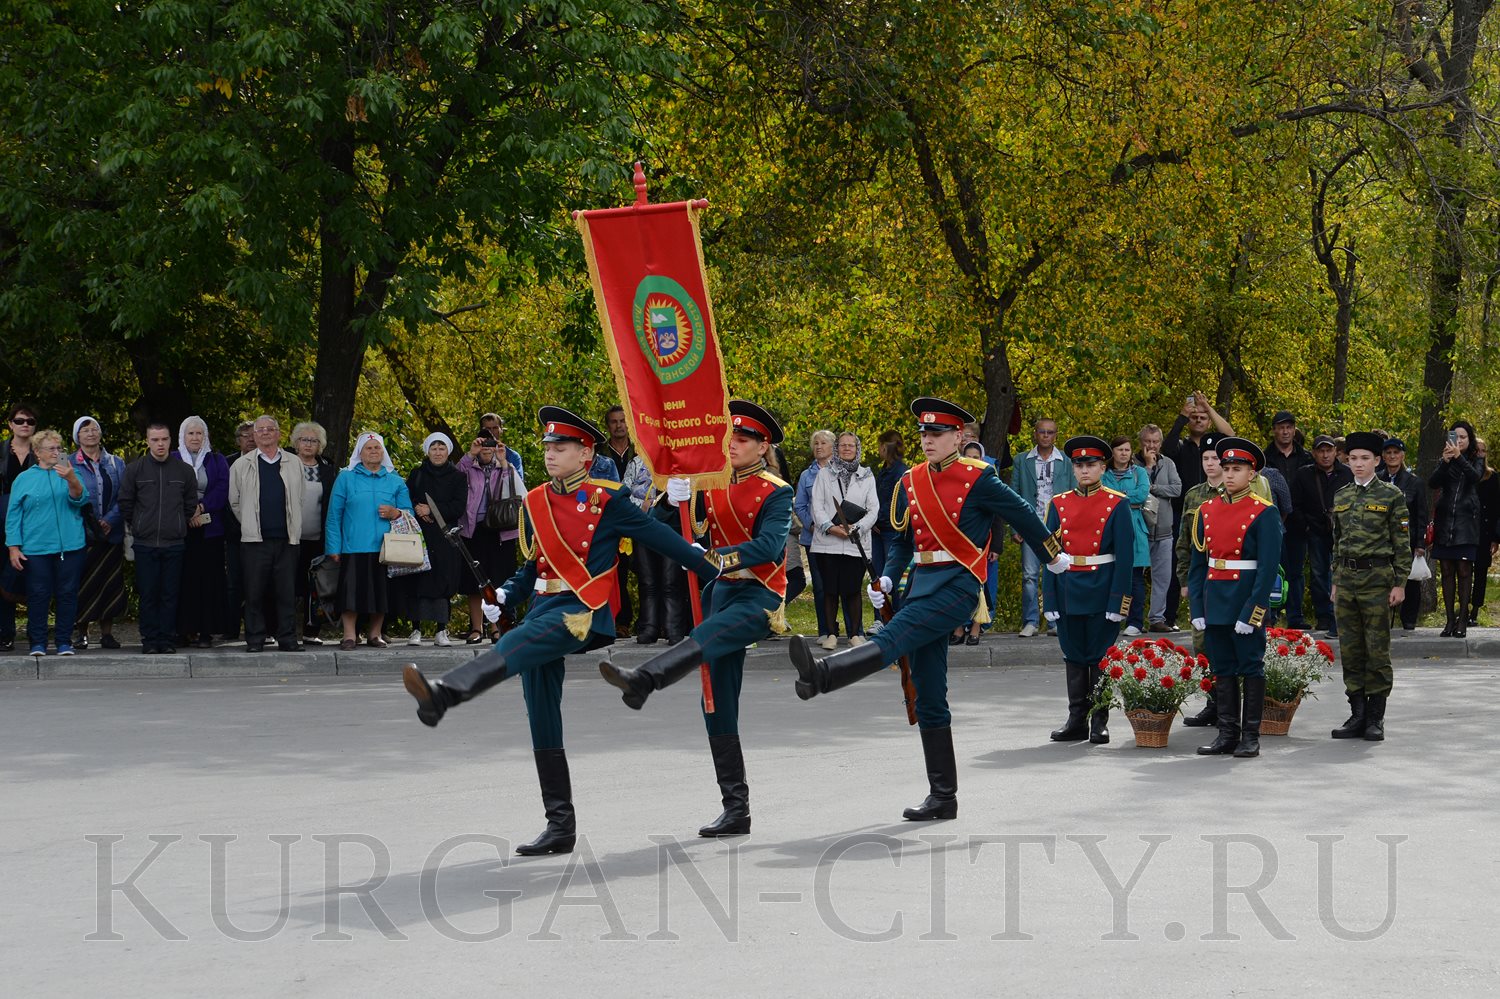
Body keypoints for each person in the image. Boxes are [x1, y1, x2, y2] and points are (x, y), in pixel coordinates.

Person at [400, 407, 720, 856]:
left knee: (519, 642)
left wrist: (711, 565)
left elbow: (661, 538)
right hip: (543, 607)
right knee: (541, 712)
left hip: (580, 610)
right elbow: (534, 567)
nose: (550, 454)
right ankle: (560, 825)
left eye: (561, 447)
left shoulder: (608, 499)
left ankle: (445, 693)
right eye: (548, 447)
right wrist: (505, 595)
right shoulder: (535, 501)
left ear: (586, 454)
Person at [790, 397, 1069, 821]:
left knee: (894, 636)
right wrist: (887, 577)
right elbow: (903, 543)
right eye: (924, 433)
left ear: (958, 436)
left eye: (937, 433)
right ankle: (943, 797)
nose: (928, 440)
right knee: (929, 694)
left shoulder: (980, 477)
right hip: (921, 585)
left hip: (959, 585)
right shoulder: (911, 481)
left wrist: (1051, 555)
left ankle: (823, 675)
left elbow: (1023, 513)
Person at [600, 400, 793, 837]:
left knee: (705, 636)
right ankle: (736, 809)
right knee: (716, 703)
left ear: (763, 447)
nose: (732, 445)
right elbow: (661, 523)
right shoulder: (713, 484)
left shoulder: (776, 491)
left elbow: (768, 547)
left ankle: (645, 679)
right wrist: (672, 499)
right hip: (721, 595)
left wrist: (714, 558)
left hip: (759, 596)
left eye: (741, 439)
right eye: (729, 437)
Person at [1188, 438, 1283, 759]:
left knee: (1251, 667)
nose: (1229, 474)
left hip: (1245, 599)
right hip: (1215, 599)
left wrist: (1253, 611)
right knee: (1222, 667)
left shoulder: (1264, 512)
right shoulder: (1206, 510)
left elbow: (1267, 570)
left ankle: (1250, 736)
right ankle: (1227, 733)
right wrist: (1197, 607)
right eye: (1226, 468)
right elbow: (1198, 565)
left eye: (1237, 469)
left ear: (1251, 473)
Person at [1044, 435, 1135, 745]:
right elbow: (1049, 554)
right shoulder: (1059, 503)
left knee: (1099, 658)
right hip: (1067, 586)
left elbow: (1125, 558)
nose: (1084, 470)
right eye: (1079, 464)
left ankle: (1099, 720)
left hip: (1102, 588)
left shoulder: (1117, 503)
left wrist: (1119, 601)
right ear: (1073, 468)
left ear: (1103, 467)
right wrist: (1049, 597)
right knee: (1073, 655)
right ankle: (1076, 720)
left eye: (1091, 464)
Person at [1329, 432, 1412, 743]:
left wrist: (1400, 583)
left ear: (1377, 461)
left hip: (1377, 579)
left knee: (1376, 650)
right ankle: (1357, 714)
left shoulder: (1391, 496)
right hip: (1346, 580)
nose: (1359, 464)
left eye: (1365, 458)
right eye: (1353, 458)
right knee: (1351, 650)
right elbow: (1336, 542)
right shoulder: (1341, 496)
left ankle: (1376, 717)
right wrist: (1335, 580)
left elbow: (1401, 544)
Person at [324, 432, 412, 649]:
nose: (373, 451)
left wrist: (395, 513)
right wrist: (333, 546)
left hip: (386, 547)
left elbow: (409, 512)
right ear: (360, 453)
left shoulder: (395, 480)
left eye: (377, 448)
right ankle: (349, 635)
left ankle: (375, 634)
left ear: (383, 452)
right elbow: (334, 515)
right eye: (368, 448)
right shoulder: (346, 478)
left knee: (381, 593)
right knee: (351, 593)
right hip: (353, 545)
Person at [5, 429, 90, 656]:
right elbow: (14, 515)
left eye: (59, 448)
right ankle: (38, 642)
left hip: (71, 546)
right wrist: (13, 547)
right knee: (38, 595)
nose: (57, 452)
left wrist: (71, 478)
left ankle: (63, 642)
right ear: (37, 452)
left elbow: (81, 500)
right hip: (36, 548)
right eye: (51, 448)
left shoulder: (72, 471)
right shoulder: (24, 479)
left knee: (68, 594)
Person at [228, 415, 307, 652]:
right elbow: (234, 501)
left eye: (270, 429)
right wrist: (249, 523)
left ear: (278, 434)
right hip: (255, 540)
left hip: (287, 539)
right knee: (254, 593)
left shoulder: (294, 462)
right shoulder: (241, 465)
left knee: (286, 593)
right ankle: (255, 639)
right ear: (254, 435)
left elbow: (300, 497)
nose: (265, 433)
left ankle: (288, 639)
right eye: (260, 429)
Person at [118, 424, 198, 654]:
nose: (160, 444)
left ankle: (167, 639)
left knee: (170, 594)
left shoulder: (184, 471)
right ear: (147, 441)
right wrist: (140, 524)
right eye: (155, 439)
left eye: (164, 439)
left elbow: (190, 503)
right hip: (145, 543)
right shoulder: (135, 469)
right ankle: (150, 639)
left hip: (174, 543)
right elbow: (126, 502)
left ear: (171, 440)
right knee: (148, 594)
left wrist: (178, 523)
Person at [1162, 392, 1234, 627]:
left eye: (1203, 418)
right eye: (1195, 417)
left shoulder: (1218, 447)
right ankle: (1170, 616)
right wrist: (1183, 416)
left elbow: (1230, 436)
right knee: (1182, 556)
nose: (1199, 420)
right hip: (1186, 508)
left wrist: (1208, 408)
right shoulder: (1181, 446)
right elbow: (1166, 448)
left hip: (1219, 505)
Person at [810, 431, 878, 648]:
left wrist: (856, 528)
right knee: (830, 590)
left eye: (851, 445)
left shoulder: (867, 476)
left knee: (853, 590)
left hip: (855, 544)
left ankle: (854, 634)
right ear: (836, 448)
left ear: (857, 449)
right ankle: (831, 634)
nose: (847, 448)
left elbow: (873, 509)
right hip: (827, 544)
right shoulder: (824, 474)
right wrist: (831, 528)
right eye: (842, 445)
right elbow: (817, 505)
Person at [397, 433, 464, 646]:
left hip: (445, 536)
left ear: (448, 451)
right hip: (420, 533)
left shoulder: (458, 477)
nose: (437, 452)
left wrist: (433, 510)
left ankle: (441, 630)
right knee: (417, 579)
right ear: (427, 451)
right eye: (433, 448)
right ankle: (415, 629)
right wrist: (418, 508)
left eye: (441, 448)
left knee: (443, 580)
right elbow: (407, 497)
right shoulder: (417, 473)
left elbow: (458, 507)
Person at [457, 430, 524, 643]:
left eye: (490, 445)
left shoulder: (506, 466)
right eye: (482, 444)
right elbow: (454, 477)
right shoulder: (468, 468)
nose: (486, 448)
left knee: (498, 581)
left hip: (501, 531)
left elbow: (518, 490)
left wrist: (503, 461)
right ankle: (476, 628)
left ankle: (496, 628)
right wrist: (471, 453)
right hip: (473, 530)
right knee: (474, 581)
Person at [1176, 440, 1226, 727]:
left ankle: (1231, 705)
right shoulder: (1194, 495)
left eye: (1215, 458)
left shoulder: (1235, 493)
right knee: (1202, 643)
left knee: (1227, 641)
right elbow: (1184, 540)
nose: (1210, 463)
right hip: (1201, 576)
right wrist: (1184, 579)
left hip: (1228, 576)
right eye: (1206, 458)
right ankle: (1213, 702)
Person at [1010, 417, 1074, 637]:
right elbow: (1014, 495)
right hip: (1030, 525)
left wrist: (1071, 527)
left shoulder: (1066, 461)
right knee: (1029, 575)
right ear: (1035, 434)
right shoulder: (1022, 460)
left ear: (1056, 435)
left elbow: (1074, 495)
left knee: (1057, 572)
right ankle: (1031, 621)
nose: (1046, 436)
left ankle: (1055, 622)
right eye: (1042, 432)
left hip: (1057, 528)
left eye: (1050, 432)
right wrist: (1015, 527)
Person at [173, 417, 231, 648]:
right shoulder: (173, 459)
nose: (195, 438)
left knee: (208, 580)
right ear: (183, 436)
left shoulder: (217, 460)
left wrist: (201, 507)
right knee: (183, 580)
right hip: (180, 528)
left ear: (205, 436)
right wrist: (189, 512)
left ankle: (206, 631)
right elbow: (169, 488)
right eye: (191, 433)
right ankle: (184, 630)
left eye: (199, 433)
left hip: (210, 530)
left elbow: (223, 487)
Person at [69, 416, 126, 649]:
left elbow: (125, 495)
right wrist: (90, 523)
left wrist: (110, 520)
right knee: (82, 585)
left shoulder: (115, 462)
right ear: (77, 437)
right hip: (81, 534)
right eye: (85, 430)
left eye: (94, 429)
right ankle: (81, 633)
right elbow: (65, 495)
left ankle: (107, 634)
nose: (91, 433)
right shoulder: (68, 462)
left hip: (111, 534)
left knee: (109, 584)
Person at [1290, 434, 1352, 637]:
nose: (1325, 455)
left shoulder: (1347, 473)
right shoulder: (1304, 474)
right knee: (1319, 574)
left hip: (1343, 533)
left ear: (1336, 452)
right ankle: (1323, 615)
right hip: (1315, 531)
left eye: (1329, 450)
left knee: (1342, 573)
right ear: (1314, 453)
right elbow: (1294, 504)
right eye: (1321, 451)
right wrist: (1307, 526)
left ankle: (1341, 615)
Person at [1427, 420, 1485, 637]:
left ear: (1470, 439)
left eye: (1463, 437)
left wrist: (1459, 457)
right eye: (1455, 437)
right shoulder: (1446, 459)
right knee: (1447, 570)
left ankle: (1462, 620)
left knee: (1464, 570)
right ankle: (1449, 620)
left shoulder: (1477, 458)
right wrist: (1445, 461)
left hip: (1466, 522)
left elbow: (1475, 477)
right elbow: (1433, 483)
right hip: (1445, 522)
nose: (1458, 441)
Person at [290, 421, 339, 644]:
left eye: (313, 440)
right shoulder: (286, 464)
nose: (308, 444)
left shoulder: (327, 469)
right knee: (288, 585)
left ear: (320, 445)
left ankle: (311, 632)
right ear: (296, 442)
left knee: (316, 586)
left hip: (318, 538)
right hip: (290, 538)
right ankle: (283, 630)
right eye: (304, 440)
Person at [0, 403, 40, 651]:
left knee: (36, 578)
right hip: (2, 521)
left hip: (36, 524)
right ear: (10, 424)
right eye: (19, 420)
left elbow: (64, 477)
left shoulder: (47, 451)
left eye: (30, 421)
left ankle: (37, 635)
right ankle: (5, 633)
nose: (25, 425)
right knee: (3, 577)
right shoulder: (1, 451)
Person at [1378, 438, 1429, 631]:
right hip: (1381, 540)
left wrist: (1420, 544)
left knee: (1409, 580)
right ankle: (1382, 617)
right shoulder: (1376, 479)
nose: (1392, 456)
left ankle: (1408, 619)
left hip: (1407, 539)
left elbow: (1421, 515)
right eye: (1388, 453)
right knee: (1382, 578)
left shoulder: (1414, 482)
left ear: (1402, 455)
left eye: (1396, 452)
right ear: (1383, 456)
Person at [1104, 435, 1151, 636]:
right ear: (1112, 452)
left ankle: (1135, 622)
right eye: (1120, 449)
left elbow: (1142, 495)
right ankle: (1112, 617)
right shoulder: (1104, 473)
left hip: (1135, 529)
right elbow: (1102, 497)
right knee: (1109, 575)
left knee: (1135, 579)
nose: (1124, 453)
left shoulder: (1140, 472)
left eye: (1127, 449)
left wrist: (1117, 496)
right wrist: (1126, 496)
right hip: (1109, 529)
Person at [1138, 424, 1181, 632]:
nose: (1152, 445)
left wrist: (1153, 488)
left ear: (1161, 443)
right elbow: (1137, 489)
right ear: (1141, 442)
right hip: (1140, 530)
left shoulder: (1168, 463)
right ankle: (1133, 619)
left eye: (1155, 441)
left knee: (1163, 578)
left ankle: (1157, 618)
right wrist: (1148, 466)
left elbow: (1177, 489)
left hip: (1164, 530)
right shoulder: (1133, 464)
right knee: (1135, 578)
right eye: (1148, 441)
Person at [794, 429, 836, 644]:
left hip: (840, 538)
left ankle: (853, 631)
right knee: (820, 586)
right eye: (816, 443)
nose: (819, 447)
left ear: (833, 447)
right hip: (814, 539)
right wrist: (812, 525)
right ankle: (825, 630)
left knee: (842, 585)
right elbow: (800, 505)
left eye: (823, 443)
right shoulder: (806, 476)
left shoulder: (842, 471)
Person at [221, 420, 256, 641]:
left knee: (258, 583)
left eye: (254, 435)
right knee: (233, 583)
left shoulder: (268, 460)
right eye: (245, 436)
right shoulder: (227, 463)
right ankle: (231, 628)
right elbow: (224, 499)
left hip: (262, 534)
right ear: (238, 441)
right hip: (235, 533)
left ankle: (257, 628)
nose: (250, 439)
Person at [1470, 437, 1500, 627]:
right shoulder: (1466, 474)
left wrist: (1496, 538)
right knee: (1463, 571)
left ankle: (1475, 610)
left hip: (1485, 532)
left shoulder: (1493, 476)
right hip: (1466, 529)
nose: (1480, 454)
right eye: (1477, 450)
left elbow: (1497, 508)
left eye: (1483, 450)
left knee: (1480, 572)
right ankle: (1462, 608)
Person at [872, 430, 908, 579]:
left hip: (891, 531)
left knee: (891, 576)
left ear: (885, 447)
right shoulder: (884, 470)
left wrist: (878, 518)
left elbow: (898, 503)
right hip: (877, 530)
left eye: (879, 446)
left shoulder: (901, 472)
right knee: (878, 576)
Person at [478, 412, 525, 483]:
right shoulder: (474, 454)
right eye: (487, 429)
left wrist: (503, 462)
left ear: (501, 430)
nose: (491, 432)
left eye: (495, 428)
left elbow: (519, 483)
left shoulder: (512, 456)